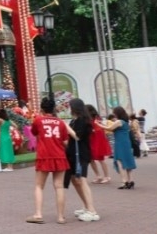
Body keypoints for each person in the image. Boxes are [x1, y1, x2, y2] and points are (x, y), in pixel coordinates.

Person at [28, 96, 73, 225]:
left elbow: (35, 133)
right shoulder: (60, 122)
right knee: (59, 186)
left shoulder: (38, 120)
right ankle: (60, 217)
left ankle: (38, 214)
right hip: (59, 156)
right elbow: (65, 142)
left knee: (39, 186)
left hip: (44, 156)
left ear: (42, 109)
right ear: (53, 109)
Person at [65, 98, 100, 222]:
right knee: (75, 180)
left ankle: (92, 210)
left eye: (70, 106)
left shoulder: (83, 121)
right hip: (73, 154)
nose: (69, 109)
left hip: (81, 154)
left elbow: (77, 136)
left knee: (82, 180)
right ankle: (86, 206)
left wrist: (66, 127)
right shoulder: (75, 121)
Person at [97, 106, 137, 189]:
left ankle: (124, 181)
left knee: (120, 161)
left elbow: (109, 128)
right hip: (126, 142)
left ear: (117, 113)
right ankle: (130, 180)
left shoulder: (119, 121)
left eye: (114, 113)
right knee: (127, 160)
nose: (114, 114)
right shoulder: (126, 122)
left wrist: (98, 124)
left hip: (120, 143)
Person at [87, 104, 112, 183]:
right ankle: (98, 175)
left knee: (101, 159)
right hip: (92, 139)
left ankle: (106, 176)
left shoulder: (96, 118)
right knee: (91, 159)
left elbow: (99, 129)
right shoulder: (91, 119)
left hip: (97, 140)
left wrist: (92, 131)